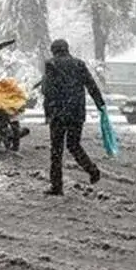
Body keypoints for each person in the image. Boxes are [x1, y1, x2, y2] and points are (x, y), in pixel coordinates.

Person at [41, 38, 105, 195]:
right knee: (74, 145)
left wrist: (48, 112)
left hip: (59, 113)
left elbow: (47, 91)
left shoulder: (51, 64)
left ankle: (57, 186)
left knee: (56, 150)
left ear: (54, 50)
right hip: (76, 113)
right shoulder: (79, 64)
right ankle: (92, 170)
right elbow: (91, 85)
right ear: (67, 49)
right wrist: (100, 104)